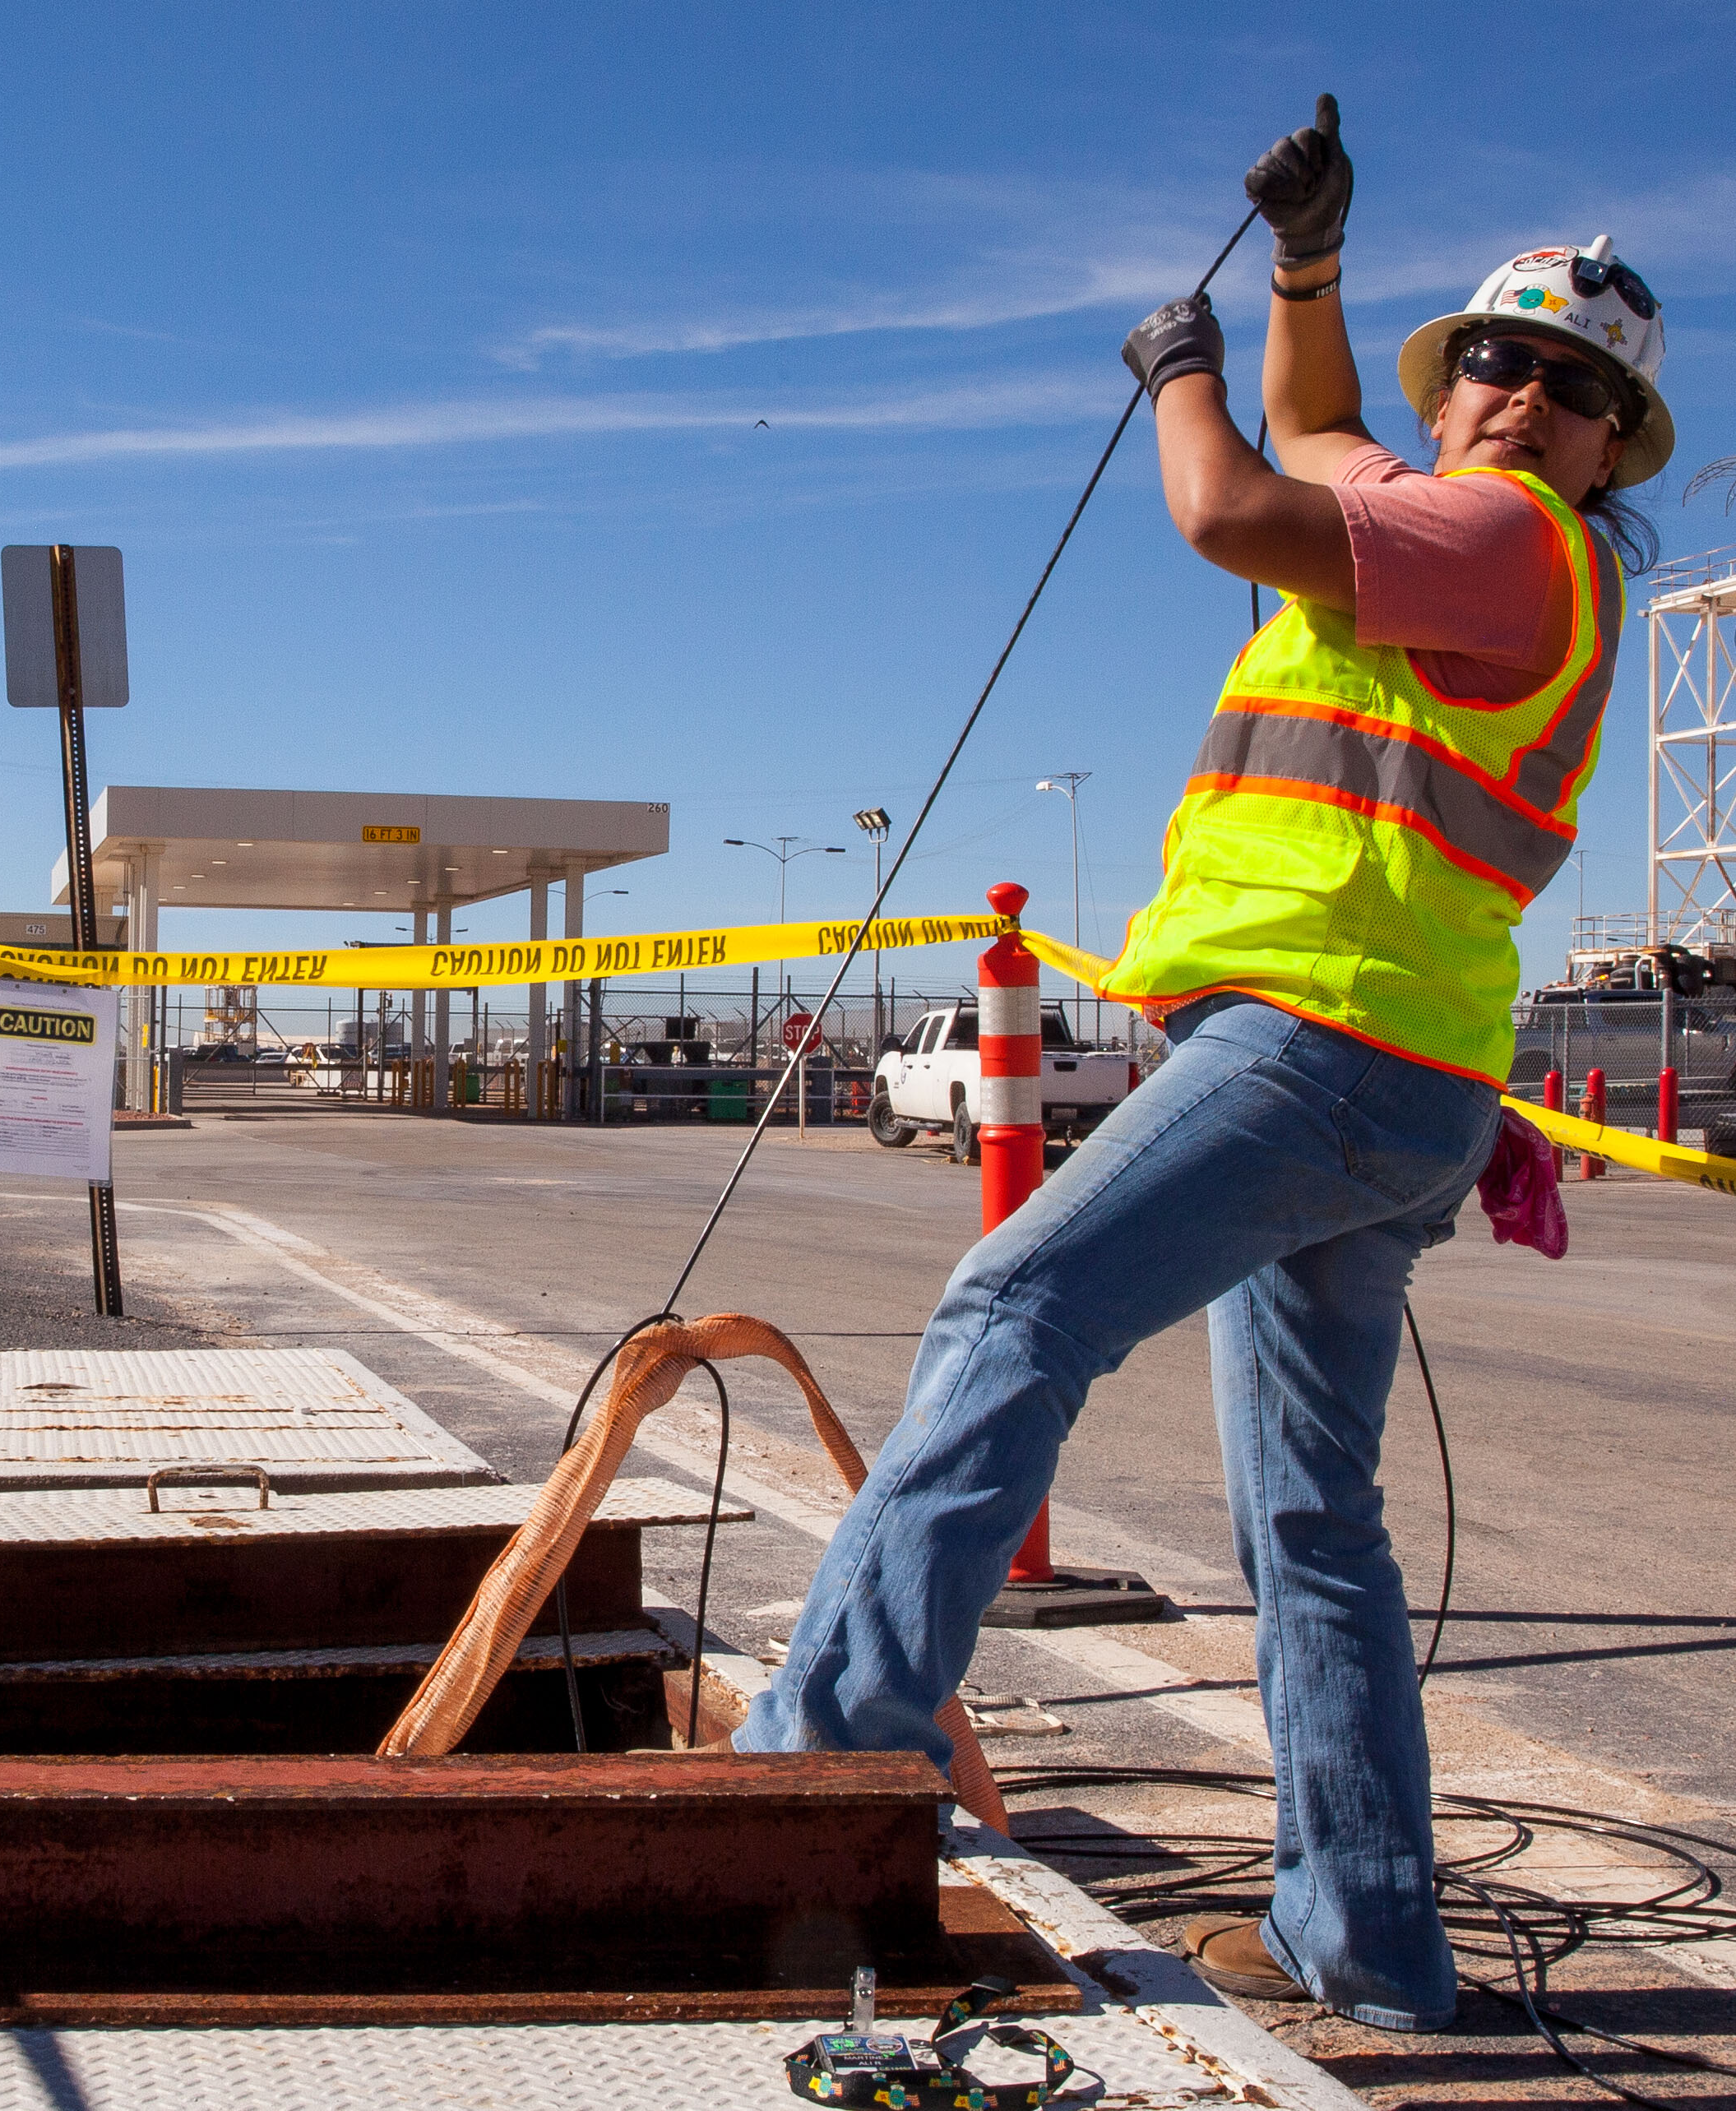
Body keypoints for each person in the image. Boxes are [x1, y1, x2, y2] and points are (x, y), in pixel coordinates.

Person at [733, 97, 1670, 2034]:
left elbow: (1235, 501)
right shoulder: (1447, 532)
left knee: (1012, 1306)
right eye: (1494, 354)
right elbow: (1324, 443)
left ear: (1601, 446)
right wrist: (1311, 272)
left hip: (1318, 1054)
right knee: (1311, 1520)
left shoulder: (1503, 538)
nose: (1515, 392)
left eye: (1564, 383)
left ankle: (811, 1766)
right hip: (1390, 1080)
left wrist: (1179, 371)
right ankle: (1367, 1934)